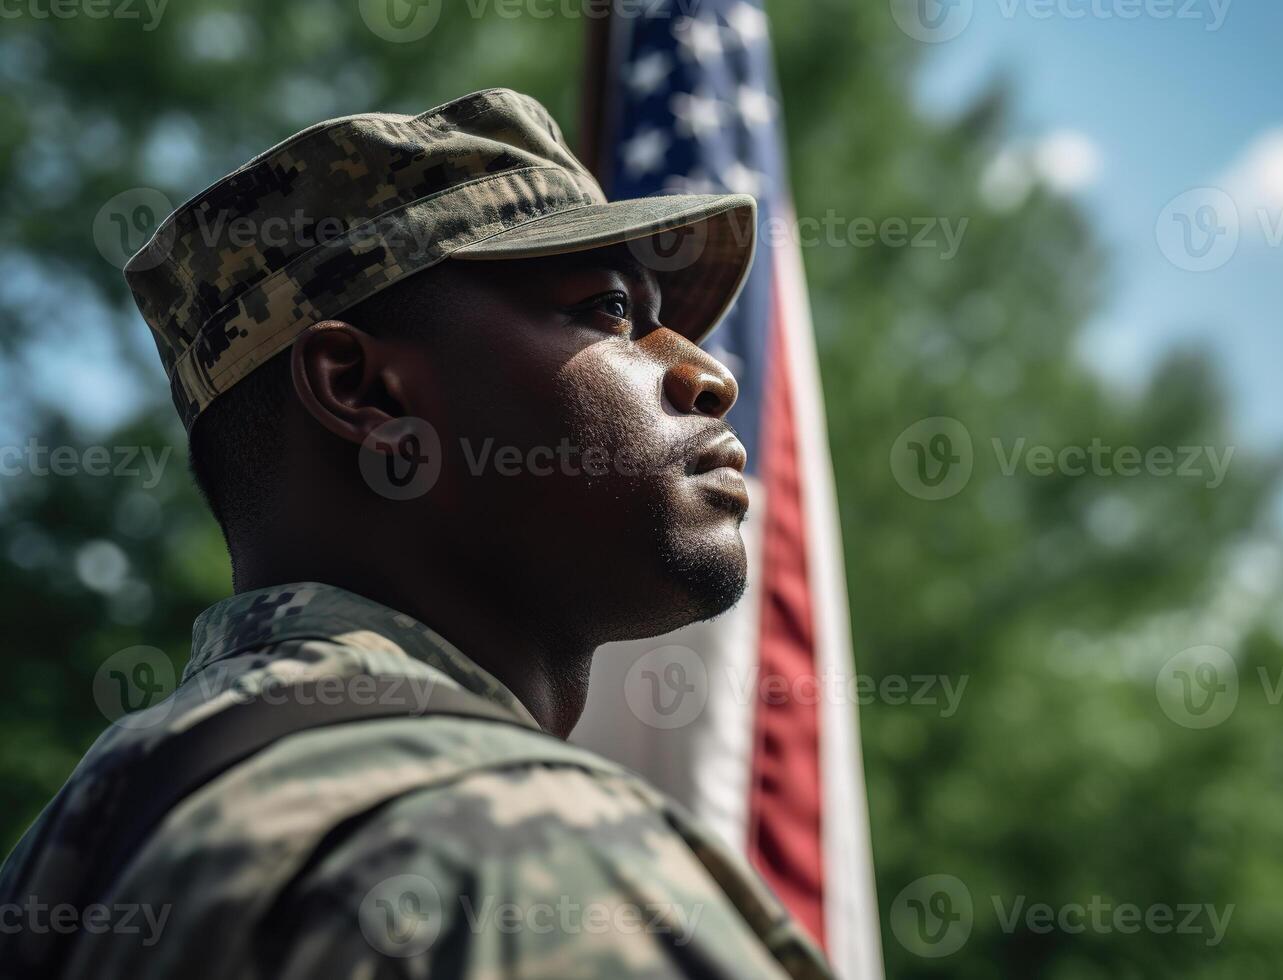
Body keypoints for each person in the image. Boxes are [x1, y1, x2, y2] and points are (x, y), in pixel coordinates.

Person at [0, 88, 832, 979]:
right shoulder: (514, 853)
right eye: (610, 309)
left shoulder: (74, 857)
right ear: (367, 395)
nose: (707, 373)